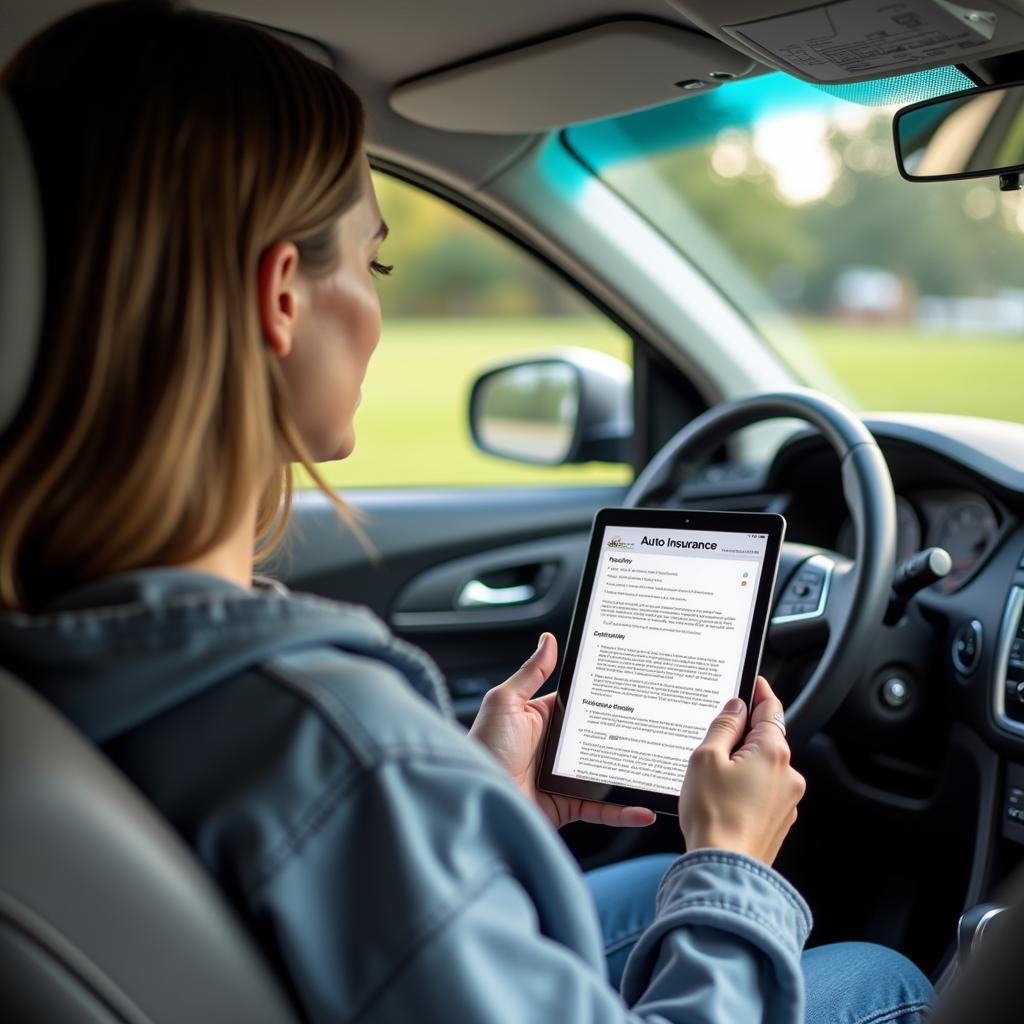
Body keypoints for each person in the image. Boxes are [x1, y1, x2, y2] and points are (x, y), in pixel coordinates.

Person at [0, 3, 933, 1022]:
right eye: (373, 262)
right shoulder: (343, 753)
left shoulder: (65, 643)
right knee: (884, 983)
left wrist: (484, 797)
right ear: (280, 296)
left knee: (632, 896)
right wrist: (730, 859)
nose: (376, 307)